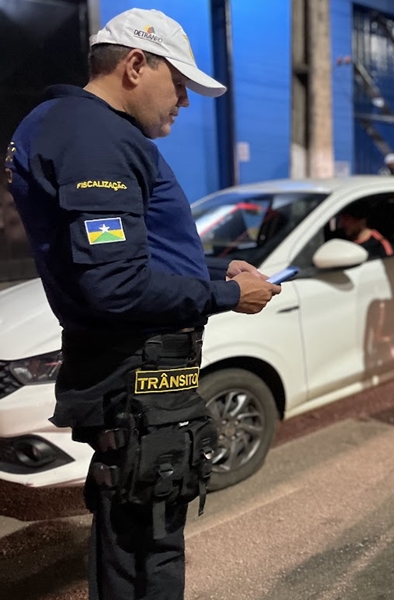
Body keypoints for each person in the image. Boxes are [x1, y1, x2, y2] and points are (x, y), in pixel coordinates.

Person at [4, 8, 281, 599]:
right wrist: (230, 294)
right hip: (136, 376)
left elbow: (130, 255)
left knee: (138, 531)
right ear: (135, 64)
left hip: (142, 373)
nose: (182, 101)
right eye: (178, 84)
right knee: (146, 545)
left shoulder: (81, 128)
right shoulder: (92, 137)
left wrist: (216, 266)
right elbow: (116, 286)